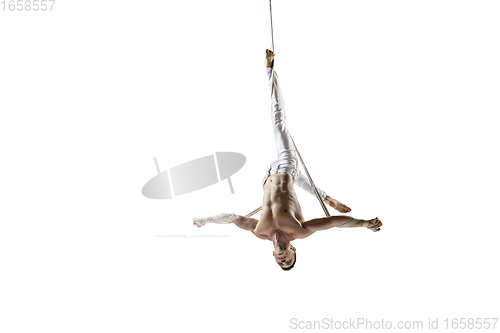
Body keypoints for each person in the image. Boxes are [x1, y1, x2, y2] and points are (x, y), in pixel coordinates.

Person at [193, 50, 382, 270]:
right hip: (286, 166)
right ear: (293, 249)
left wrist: (206, 220)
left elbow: (233, 217)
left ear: (273, 255)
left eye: (280, 261)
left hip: (267, 176)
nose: (283, 259)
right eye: (288, 260)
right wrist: (365, 224)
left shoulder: (259, 231)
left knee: (293, 179)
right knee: (278, 121)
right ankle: (269, 70)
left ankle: (326, 196)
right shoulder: (299, 230)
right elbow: (333, 222)